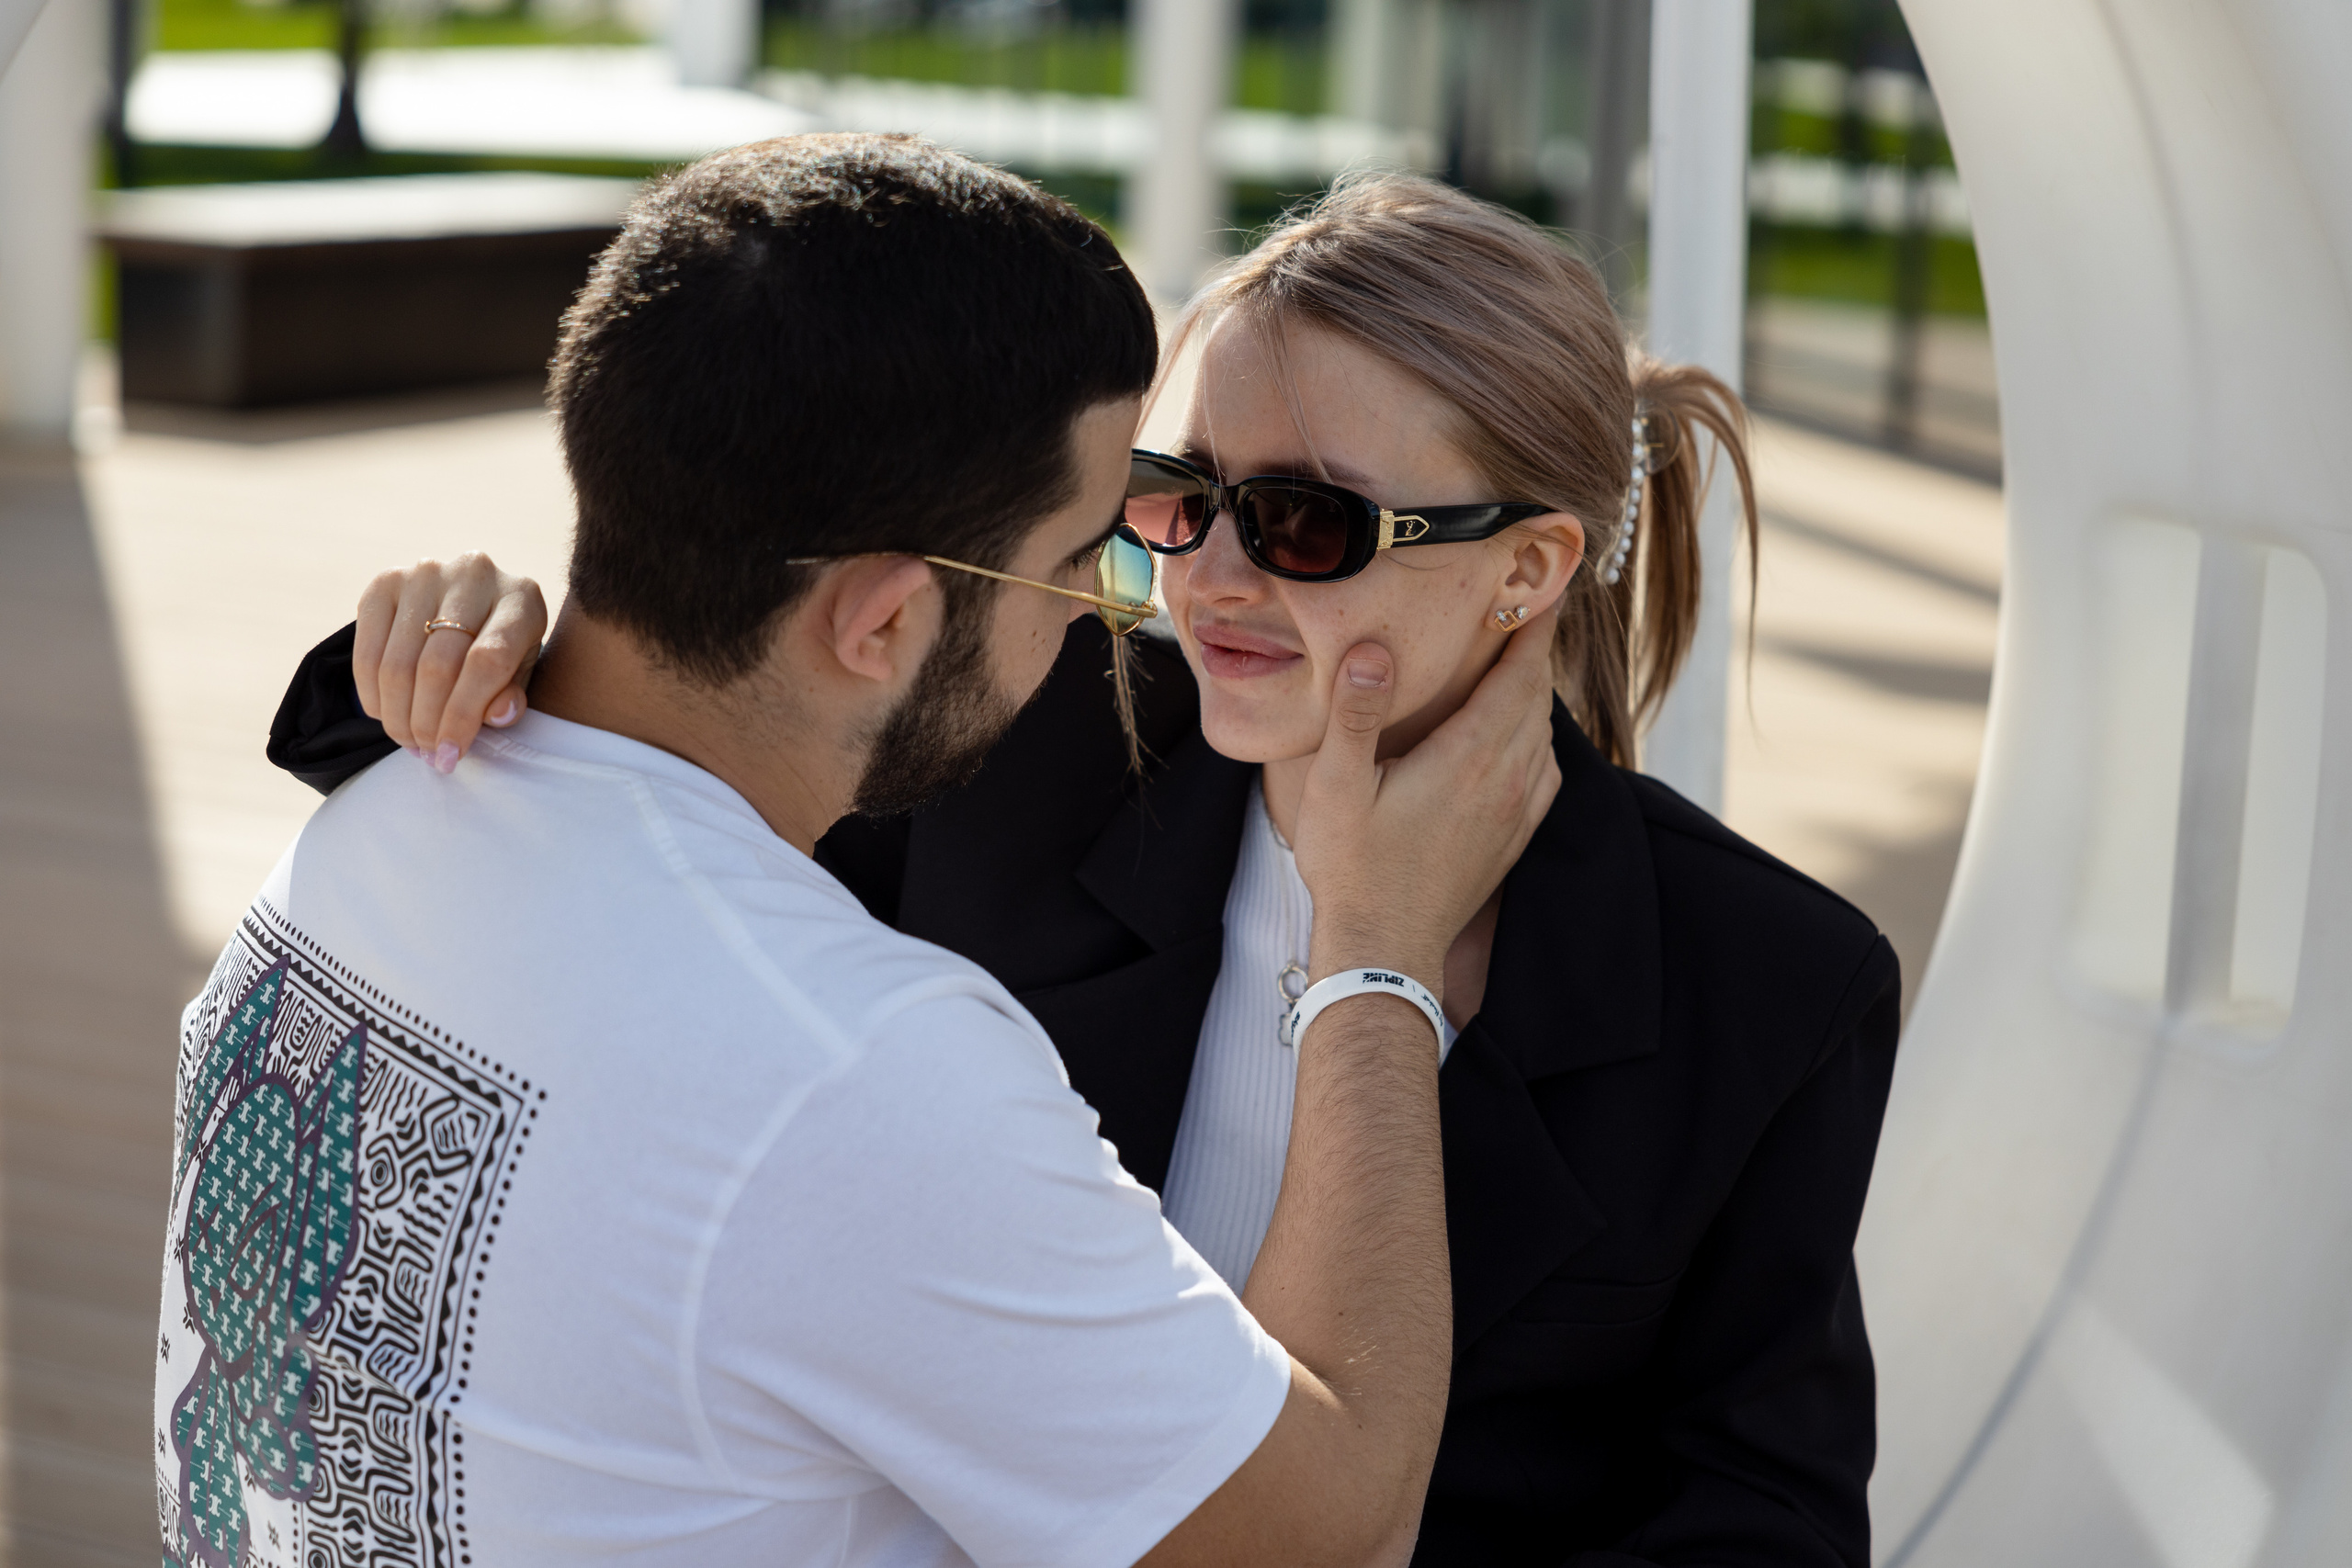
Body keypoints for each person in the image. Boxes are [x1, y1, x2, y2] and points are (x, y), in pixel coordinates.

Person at [277, 174, 1902, 1568]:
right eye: (1171, 502)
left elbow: (1764, 1525)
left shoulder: (1766, 978)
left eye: (1308, 523)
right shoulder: (1027, 734)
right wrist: (472, 654)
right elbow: (686, 749)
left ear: (1527, 570)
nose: (1213, 581)